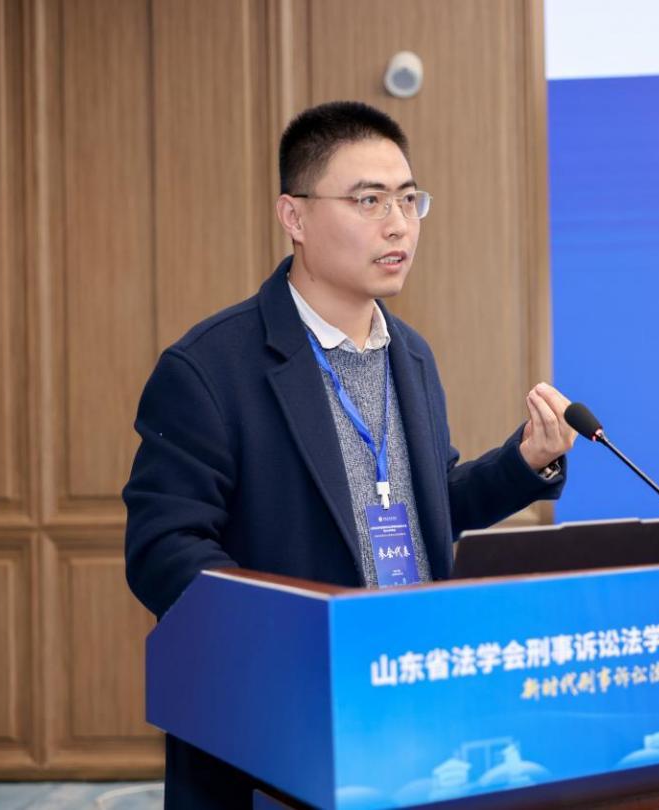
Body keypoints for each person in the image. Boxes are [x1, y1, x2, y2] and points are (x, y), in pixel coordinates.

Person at [123, 100, 577, 808]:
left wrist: (522, 463)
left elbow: (424, 506)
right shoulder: (210, 368)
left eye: (408, 199)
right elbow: (164, 548)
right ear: (295, 217)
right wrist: (293, 638)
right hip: (280, 723)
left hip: (412, 701)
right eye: (369, 201)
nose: (398, 225)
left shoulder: (410, 355)